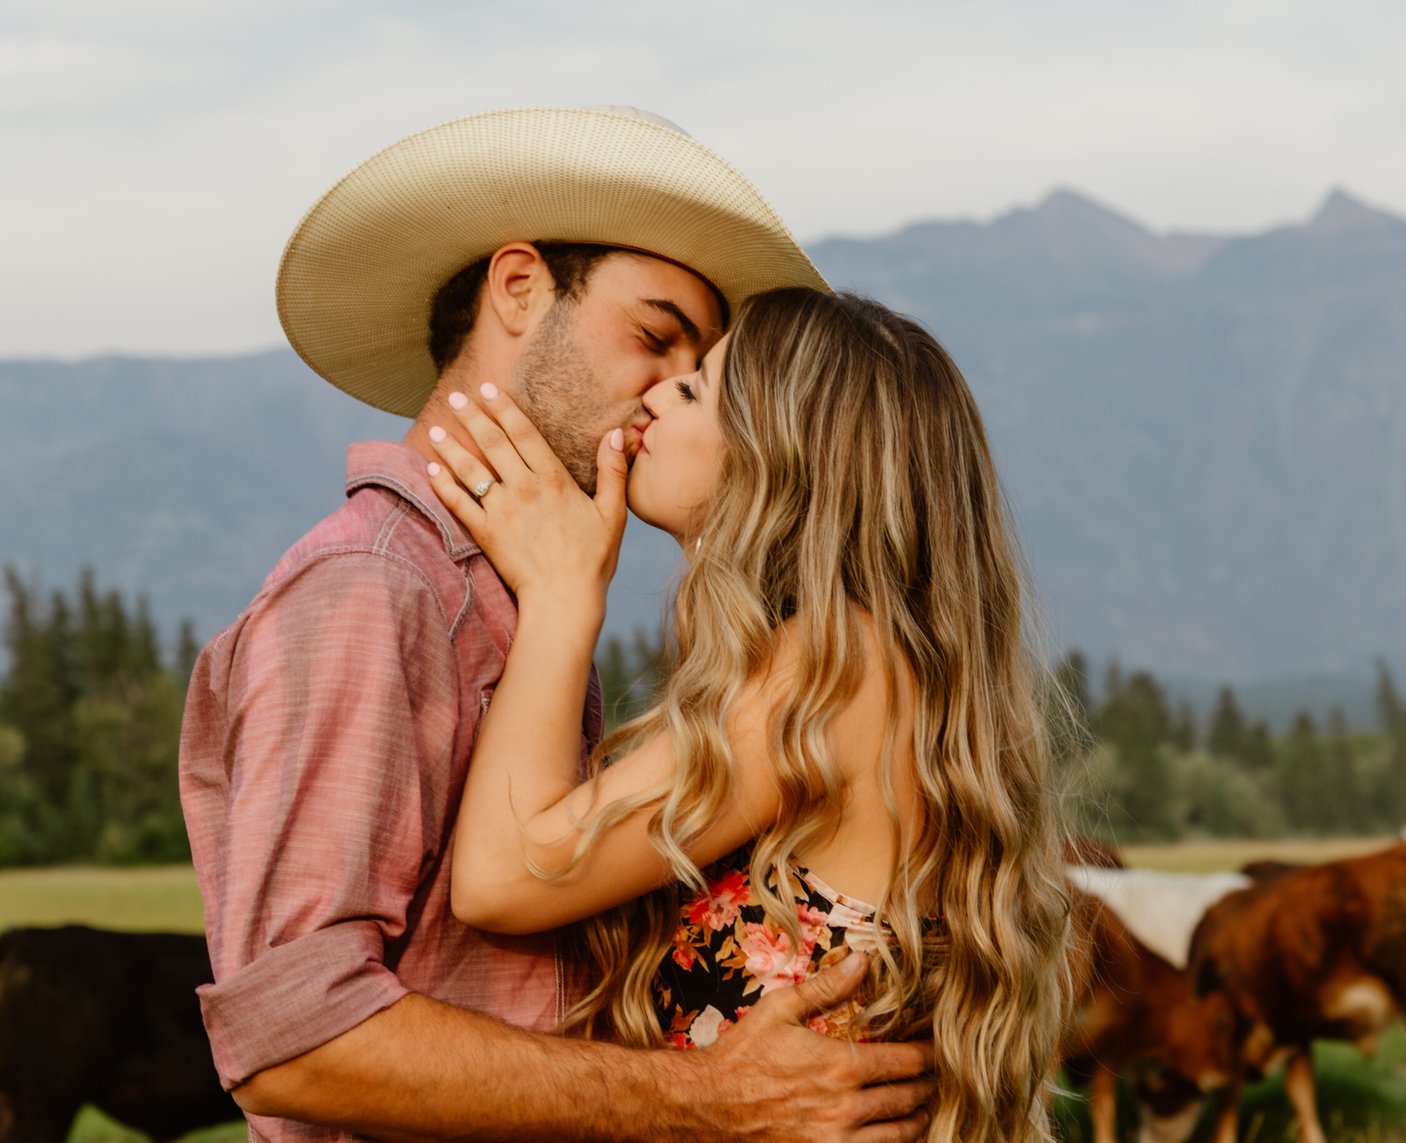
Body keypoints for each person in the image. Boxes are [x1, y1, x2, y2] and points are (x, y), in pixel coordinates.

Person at [179, 107, 935, 1142]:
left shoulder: (528, 602)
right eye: (655, 335)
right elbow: (295, 1037)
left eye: (699, 371)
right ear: (521, 289)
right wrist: (708, 1102)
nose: (667, 390)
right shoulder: (375, 589)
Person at [426, 287, 1075, 1143]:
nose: (656, 393)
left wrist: (560, 596)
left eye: (696, 387)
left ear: (782, 457)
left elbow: (501, 878)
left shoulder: (836, 667)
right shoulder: (853, 666)